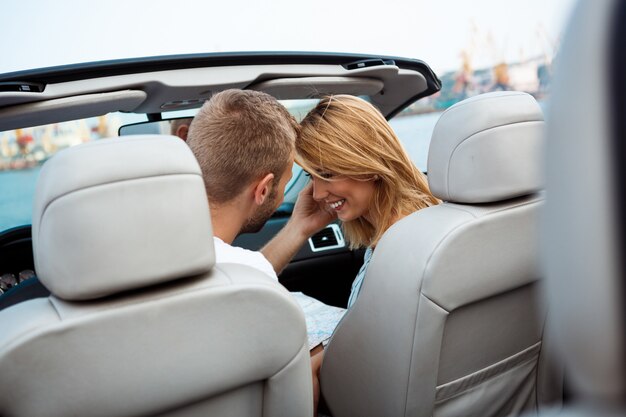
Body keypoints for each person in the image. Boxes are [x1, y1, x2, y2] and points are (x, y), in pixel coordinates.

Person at [295, 94, 440, 412]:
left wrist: (315, 362)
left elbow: (388, 358)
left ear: (367, 161)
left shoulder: (398, 252)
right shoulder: (431, 222)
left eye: (328, 174)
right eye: (311, 176)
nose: (318, 193)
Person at [186, 88, 334, 284]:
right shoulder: (242, 275)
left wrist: (299, 227)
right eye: (287, 181)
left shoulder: (146, 240)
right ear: (262, 190)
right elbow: (250, 273)